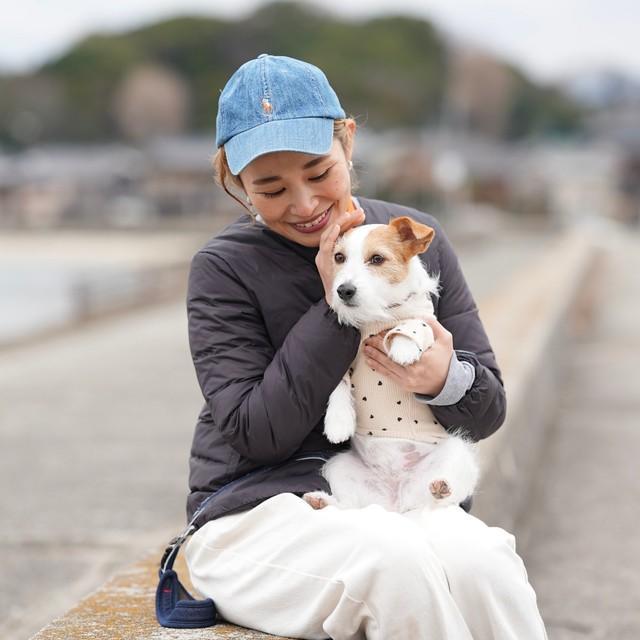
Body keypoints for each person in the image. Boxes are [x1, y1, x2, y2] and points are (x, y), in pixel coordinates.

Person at [183, 54, 547, 639]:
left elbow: (487, 410)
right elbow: (258, 432)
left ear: (347, 140)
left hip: (400, 499)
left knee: (485, 563)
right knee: (393, 561)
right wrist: (338, 304)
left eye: (318, 172)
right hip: (255, 512)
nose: (304, 204)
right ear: (235, 181)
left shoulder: (412, 236)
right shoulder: (222, 269)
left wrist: (440, 378)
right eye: (271, 188)